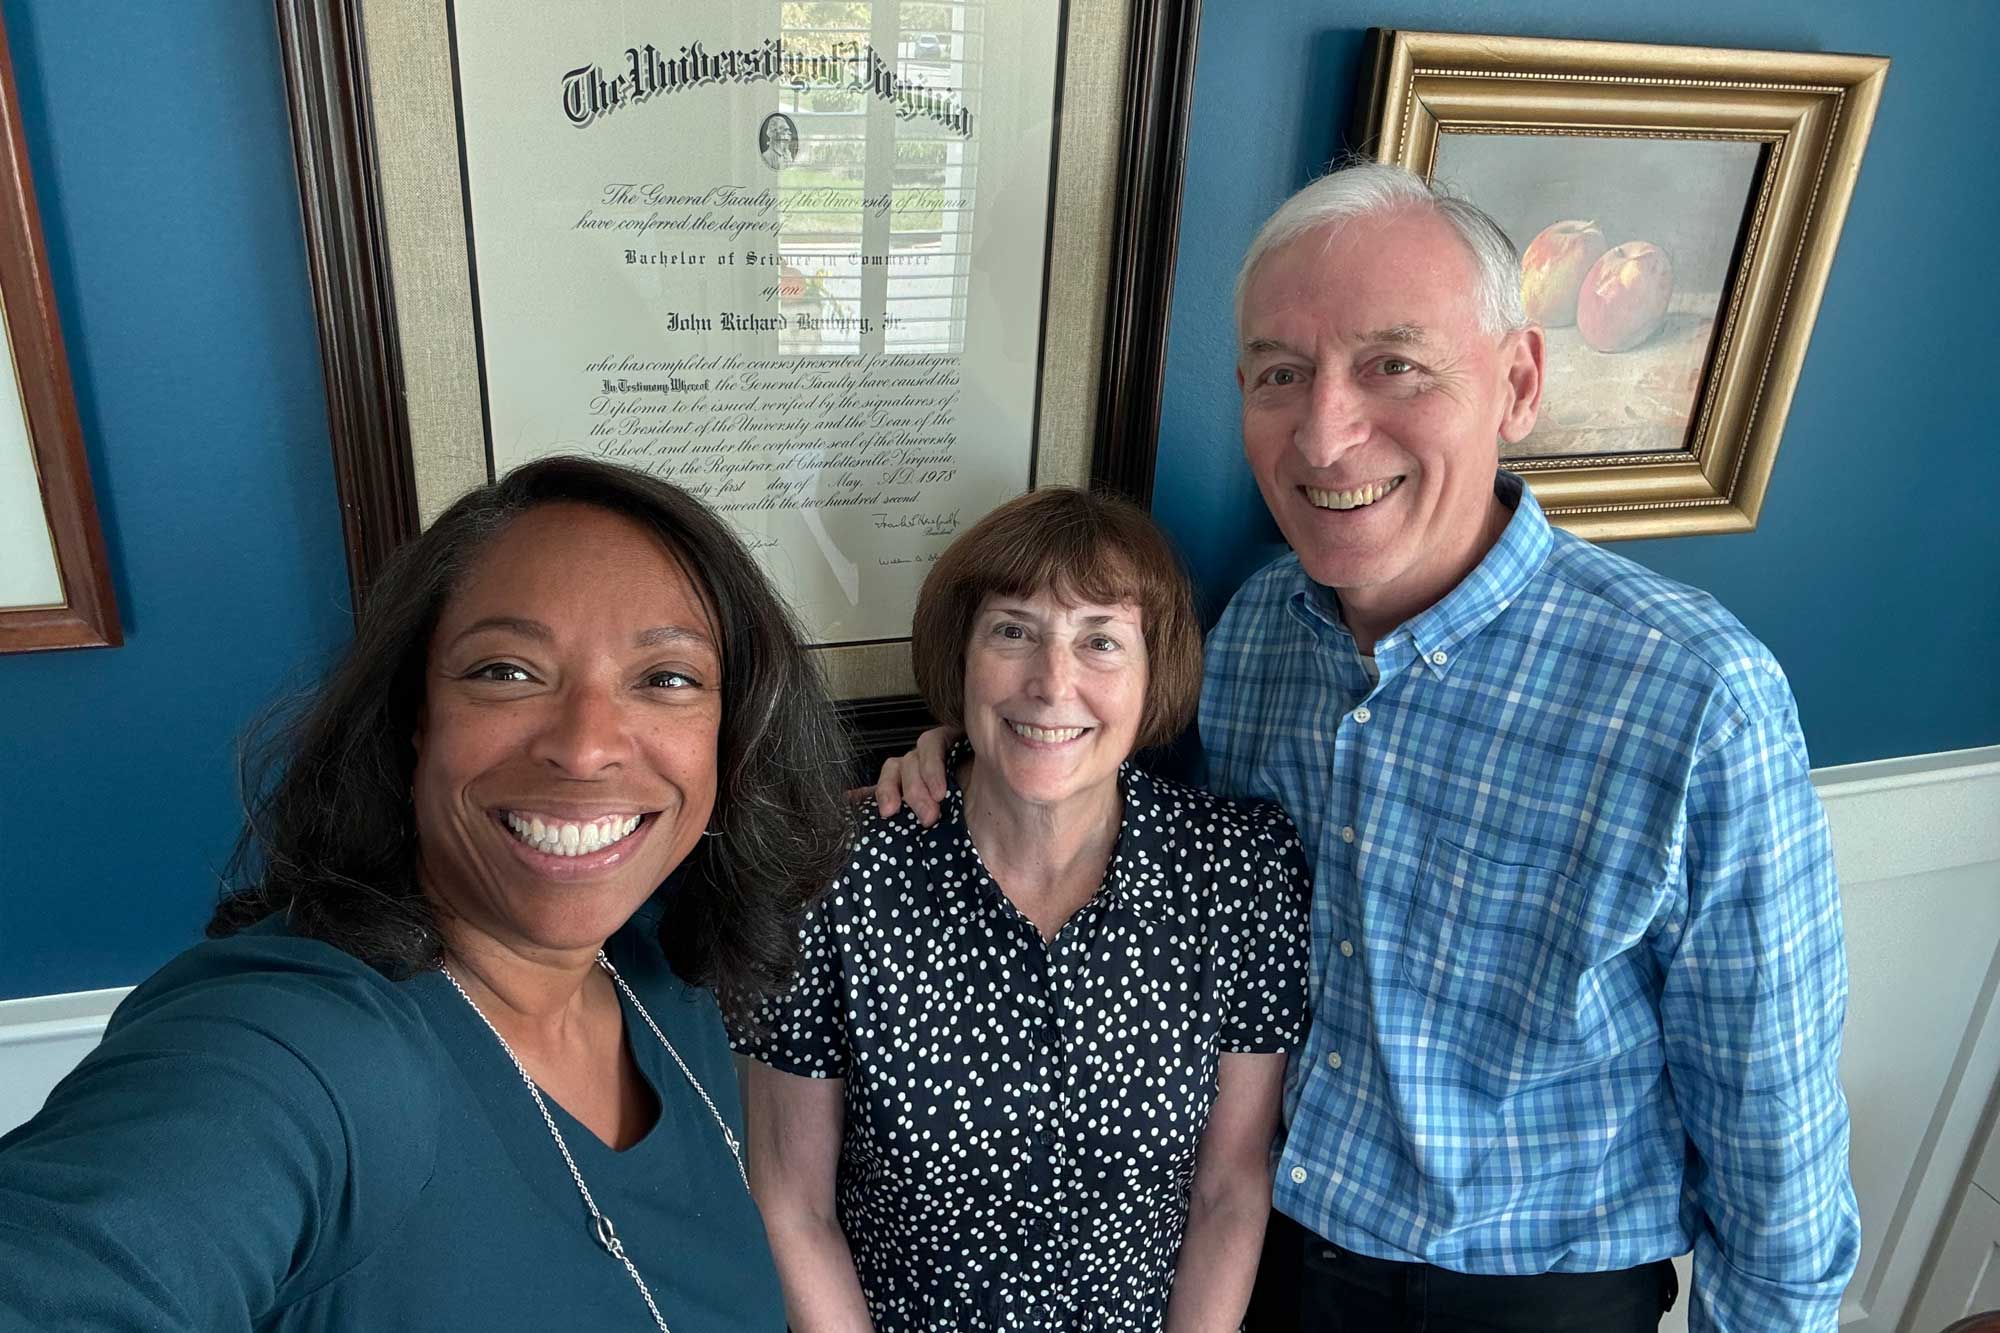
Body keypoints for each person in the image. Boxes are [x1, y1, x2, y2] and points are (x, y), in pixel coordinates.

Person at [874, 163, 1859, 1331]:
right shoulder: (1251, 634)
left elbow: (1774, 1134)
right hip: (1257, 1253)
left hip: (1522, 1296)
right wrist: (971, 758)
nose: (1327, 435)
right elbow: (1131, 852)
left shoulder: (1696, 695)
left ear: (1518, 382)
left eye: (1392, 364)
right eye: (1280, 375)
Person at [0, 457, 851, 1331]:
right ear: (416, 722)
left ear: (731, 734)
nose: (587, 745)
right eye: (507, 671)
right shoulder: (301, 1050)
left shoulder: (663, 970)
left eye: (667, 678)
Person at [741, 487, 1311, 1330]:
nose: (1053, 683)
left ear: (1155, 672)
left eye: (1102, 641)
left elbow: (1229, 1190)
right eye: (1013, 630)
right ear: (962, 656)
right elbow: (793, 1204)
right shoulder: (835, 870)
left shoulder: (1238, 872)